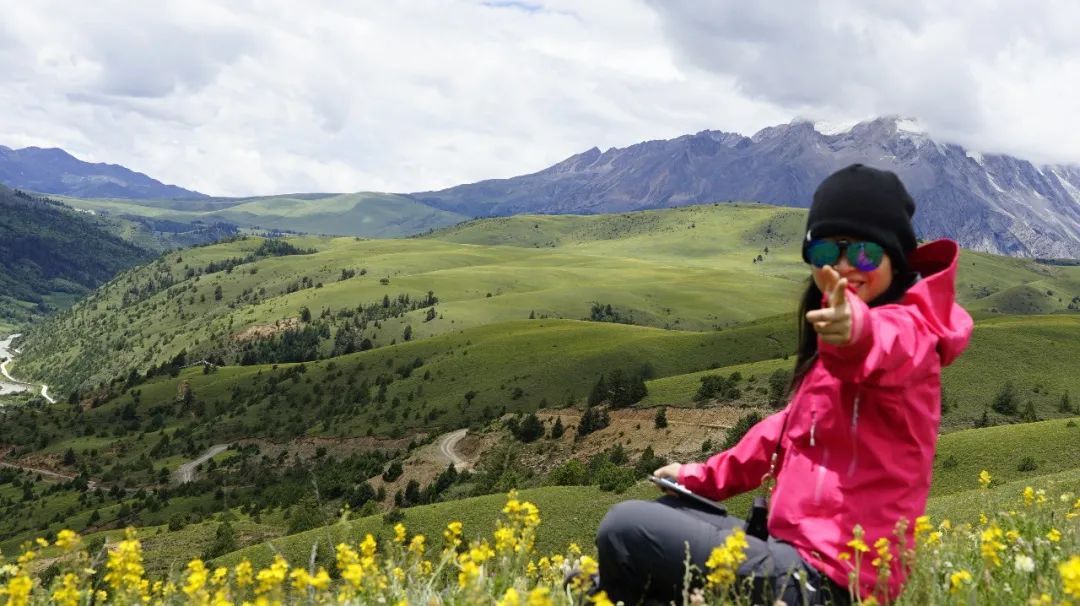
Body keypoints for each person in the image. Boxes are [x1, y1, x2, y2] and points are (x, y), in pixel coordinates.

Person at [595, 164, 973, 605]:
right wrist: (696, 478)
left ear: (897, 257)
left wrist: (856, 332)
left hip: (835, 583)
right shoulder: (829, 361)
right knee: (668, 516)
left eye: (866, 254)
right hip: (791, 553)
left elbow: (883, 345)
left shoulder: (910, 334)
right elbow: (773, 437)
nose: (846, 267)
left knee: (625, 530)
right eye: (827, 253)